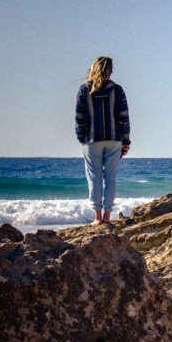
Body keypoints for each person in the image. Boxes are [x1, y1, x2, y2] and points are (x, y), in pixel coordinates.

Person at [74, 56, 131, 225]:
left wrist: (81, 138)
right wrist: (126, 140)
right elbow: (124, 117)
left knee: (94, 177)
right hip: (114, 139)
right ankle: (107, 216)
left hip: (92, 140)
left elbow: (79, 118)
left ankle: (97, 217)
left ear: (93, 69)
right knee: (110, 177)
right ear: (110, 71)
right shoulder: (117, 90)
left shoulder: (84, 90)